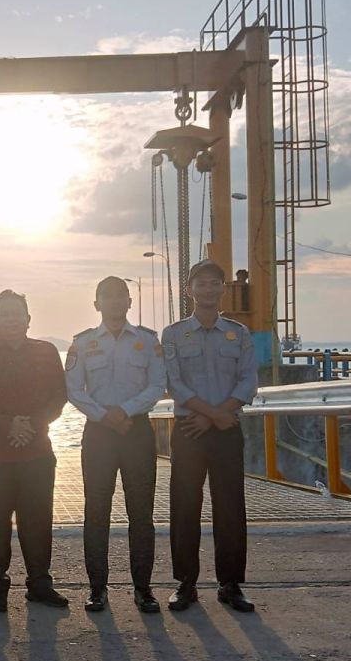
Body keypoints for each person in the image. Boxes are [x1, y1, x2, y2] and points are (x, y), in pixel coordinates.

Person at [0, 290, 69, 612]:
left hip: (37, 453)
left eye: (17, 313)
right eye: (4, 314)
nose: (11, 319)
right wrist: (7, 425)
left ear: (28, 318)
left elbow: (58, 396)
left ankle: (39, 583)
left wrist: (31, 425)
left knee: (38, 521)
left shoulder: (47, 351)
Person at [161, 260, 259, 613]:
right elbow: (173, 382)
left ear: (222, 288)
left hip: (226, 430)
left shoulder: (239, 333)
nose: (207, 289)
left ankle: (230, 584)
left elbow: (248, 380)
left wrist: (219, 415)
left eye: (213, 283)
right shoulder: (173, 334)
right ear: (189, 289)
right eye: (200, 284)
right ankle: (185, 584)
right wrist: (211, 414)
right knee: (185, 505)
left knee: (230, 506)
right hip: (190, 430)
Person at [65, 276, 167, 613]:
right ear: (96, 304)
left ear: (129, 301)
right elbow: (74, 389)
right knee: (96, 512)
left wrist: (124, 411)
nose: (114, 301)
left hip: (136, 430)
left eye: (120, 295)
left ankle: (143, 589)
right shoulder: (82, 343)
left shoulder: (148, 342)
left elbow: (157, 385)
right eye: (106, 297)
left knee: (141, 513)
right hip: (98, 434)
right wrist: (103, 415)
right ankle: (97, 589)